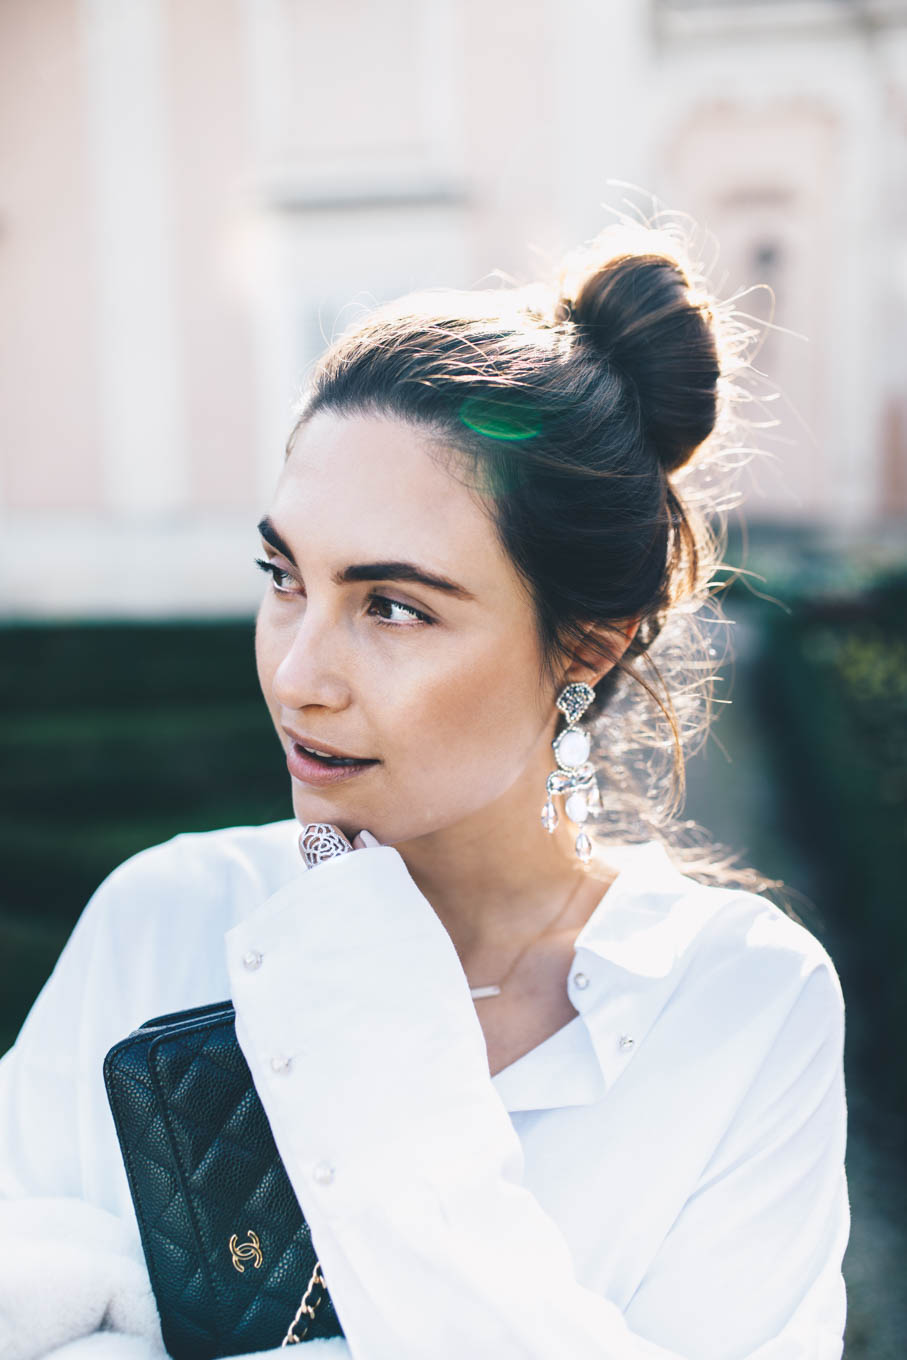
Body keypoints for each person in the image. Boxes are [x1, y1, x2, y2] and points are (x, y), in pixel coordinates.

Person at [0, 219, 849, 1360]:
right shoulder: (165, 916)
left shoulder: (736, 1002)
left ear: (586, 643)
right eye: (282, 577)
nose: (299, 675)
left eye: (393, 605)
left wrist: (375, 1025)